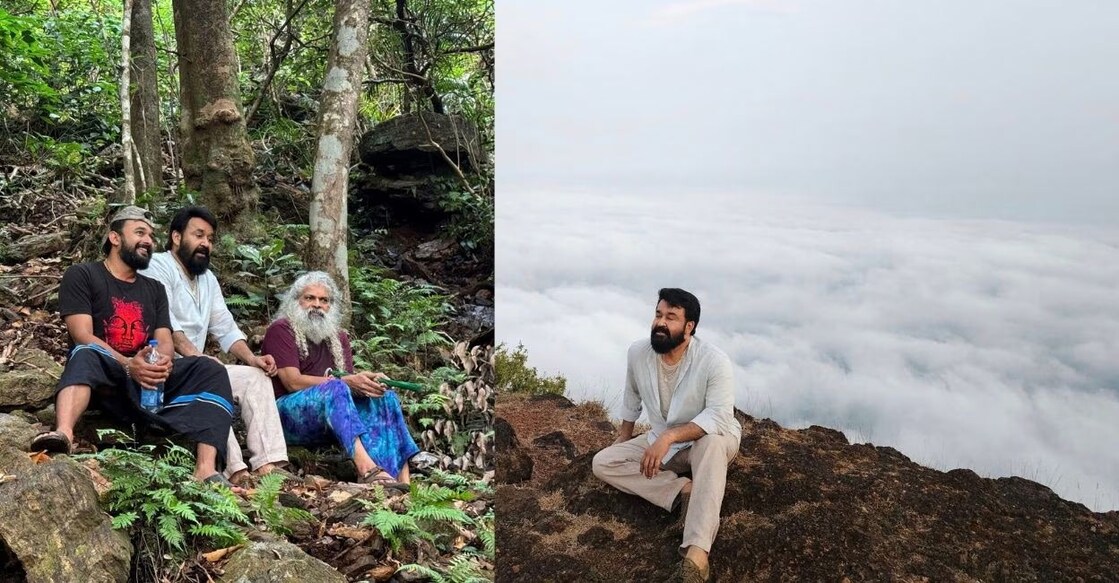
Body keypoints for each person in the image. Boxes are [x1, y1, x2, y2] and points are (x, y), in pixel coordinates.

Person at [29, 206, 236, 486]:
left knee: (210, 368)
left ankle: (205, 469)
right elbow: (82, 334)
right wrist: (129, 365)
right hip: (107, 379)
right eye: (139, 232)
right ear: (115, 238)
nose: (148, 241)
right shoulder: (83, 275)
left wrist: (157, 364)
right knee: (86, 352)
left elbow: (164, 339)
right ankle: (64, 433)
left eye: (151, 235)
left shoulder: (154, 288)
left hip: (148, 383)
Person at [591, 288, 742, 583]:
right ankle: (682, 490)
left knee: (711, 444)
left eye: (671, 317)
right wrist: (624, 437)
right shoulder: (638, 353)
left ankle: (696, 556)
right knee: (603, 462)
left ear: (689, 327)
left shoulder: (713, 360)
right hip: (661, 441)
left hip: (707, 439)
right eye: (658, 315)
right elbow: (631, 396)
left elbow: (719, 416)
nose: (660, 323)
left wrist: (670, 436)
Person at [139, 206, 290, 486]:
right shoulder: (157, 266)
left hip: (196, 366)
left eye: (209, 238)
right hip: (162, 367)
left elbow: (225, 325)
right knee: (212, 375)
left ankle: (269, 465)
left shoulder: (207, 279)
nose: (205, 243)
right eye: (199, 235)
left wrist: (251, 358)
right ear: (175, 236)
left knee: (254, 377)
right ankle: (235, 469)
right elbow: (168, 324)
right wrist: (200, 359)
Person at [261, 271, 419, 489]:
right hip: (286, 416)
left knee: (386, 397)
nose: (316, 305)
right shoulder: (282, 329)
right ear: (296, 301)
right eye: (310, 298)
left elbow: (347, 384)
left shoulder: (339, 337)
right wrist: (346, 382)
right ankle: (367, 470)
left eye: (323, 300)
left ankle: (401, 481)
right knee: (335, 387)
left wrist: (367, 382)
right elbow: (292, 382)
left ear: (330, 306)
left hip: (329, 417)